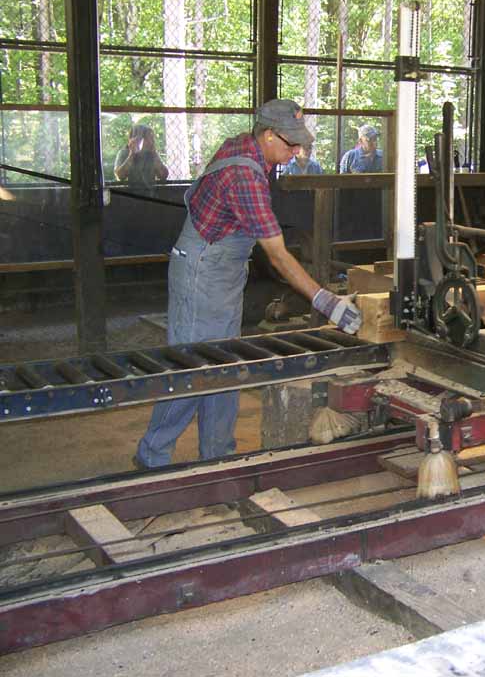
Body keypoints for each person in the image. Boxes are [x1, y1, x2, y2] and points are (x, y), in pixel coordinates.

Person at [135, 99, 362, 468]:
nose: (296, 151)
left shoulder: (246, 146)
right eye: (290, 144)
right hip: (203, 272)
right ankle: (152, 460)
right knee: (192, 369)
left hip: (222, 271)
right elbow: (277, 254)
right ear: (268, 135)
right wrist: (325, 300)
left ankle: (218, 458)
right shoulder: (246, 176)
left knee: (224, 364)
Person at [113, 124, 169, 190]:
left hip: (150, 193)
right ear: (138, 140)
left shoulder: (152, 154)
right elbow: (120, 176)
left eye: (152, 138)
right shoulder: (124, 152)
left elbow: (163, 175)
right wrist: (132, 155)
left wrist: (154, 154)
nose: (152, 141)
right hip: (130, 193)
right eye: (149, 138)